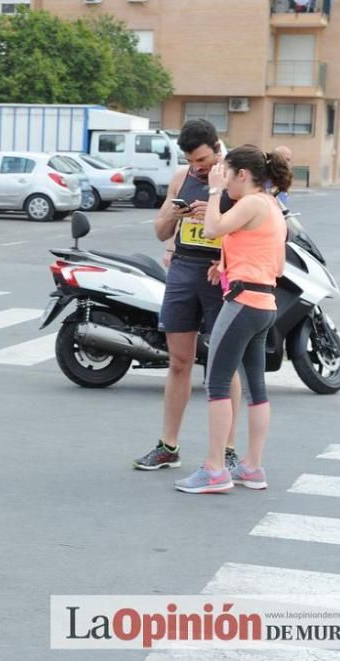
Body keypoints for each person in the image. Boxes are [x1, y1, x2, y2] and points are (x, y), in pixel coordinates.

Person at [175, 146, 288, 493]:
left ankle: (215, 470)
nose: (223, 183)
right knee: (257, 389)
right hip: (264, 303)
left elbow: (212, 229)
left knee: (218, 384)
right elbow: (276, 264)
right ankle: (252, 467)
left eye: (226, 175)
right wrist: (225, 265)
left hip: (242, 302)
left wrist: (211, 191)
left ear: (242, 174)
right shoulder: (271, 205)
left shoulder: (251, 202)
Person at [135, 119, 241, 472]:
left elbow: (249, 230)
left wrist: (215, 214)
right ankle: (168, 446)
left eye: (203, 159)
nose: (199, 167)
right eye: (193, 161)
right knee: (179, 362)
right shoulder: (183, 177)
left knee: (223, 365)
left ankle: (227, 449)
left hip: (218, 274)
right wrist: (174, 212)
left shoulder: (235, 175)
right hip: (183, 270)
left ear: (216, 147)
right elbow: (160, 230)